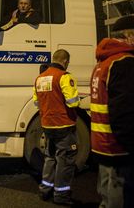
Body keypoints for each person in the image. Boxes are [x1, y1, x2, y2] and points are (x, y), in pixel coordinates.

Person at [90, 15, 134, 208]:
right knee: (121, 199)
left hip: (102, 144)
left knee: (107, 197)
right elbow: (125, 111)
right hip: (119, 147)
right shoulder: (125, 62)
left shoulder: (102, 63)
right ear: (129, 35)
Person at [33, 49, 80, 205]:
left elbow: (36, 102)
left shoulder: (40, 78)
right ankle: (61, 195)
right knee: (65, 160)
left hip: (47, 125)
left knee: (50, 158)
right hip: (64, 125)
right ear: (65, 61)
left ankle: (45, 190)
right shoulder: (64, 76)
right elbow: (73, 102)